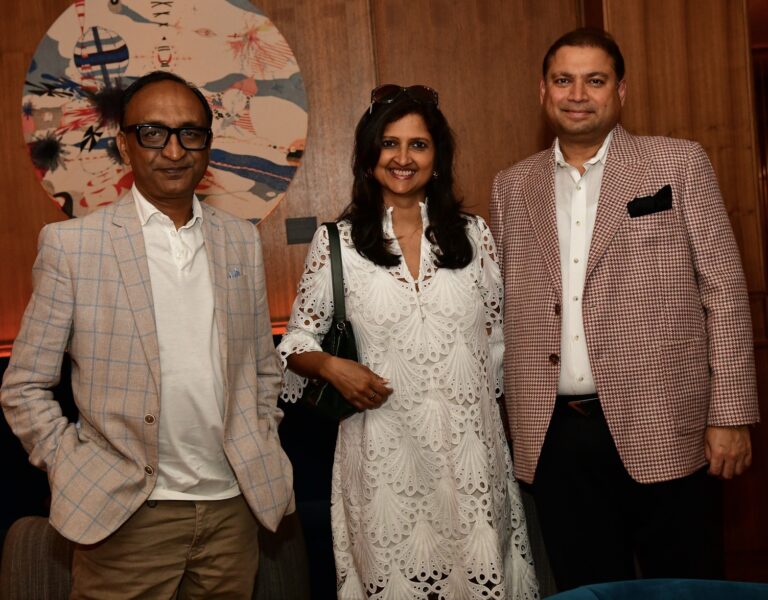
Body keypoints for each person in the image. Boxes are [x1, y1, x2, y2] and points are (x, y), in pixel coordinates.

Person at [1, 71, 294, 599]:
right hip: (124, 515)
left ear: (208, 144)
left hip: (233, 509)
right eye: (153, 133)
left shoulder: (239, 241)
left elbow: (262, 369)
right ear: (124, 144)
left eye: (190, 133)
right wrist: (70, 464)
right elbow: (24, 386)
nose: (174, 150)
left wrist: (259, 431)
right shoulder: (74, 247)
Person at [489, 28, 760, 590]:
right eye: (564, 80)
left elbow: (725, 292)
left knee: (687, 586)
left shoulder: (677, 163)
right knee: (586, 589)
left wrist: (730, 413)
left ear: (622, 90)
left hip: (668, 422)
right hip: (555, 437)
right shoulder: (512, 186)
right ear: (543, 91)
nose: (578, 94)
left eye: (595, 80)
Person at [278, 85, 539, 599]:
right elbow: (296, 341)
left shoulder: (475, 234)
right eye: (389, 144)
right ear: (368, 156)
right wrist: (332, 366)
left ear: (437, 157)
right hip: (382, 455)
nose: (403, 158)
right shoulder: (339, 242)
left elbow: (504, 339)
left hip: (471, 456)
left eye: (418, 145)